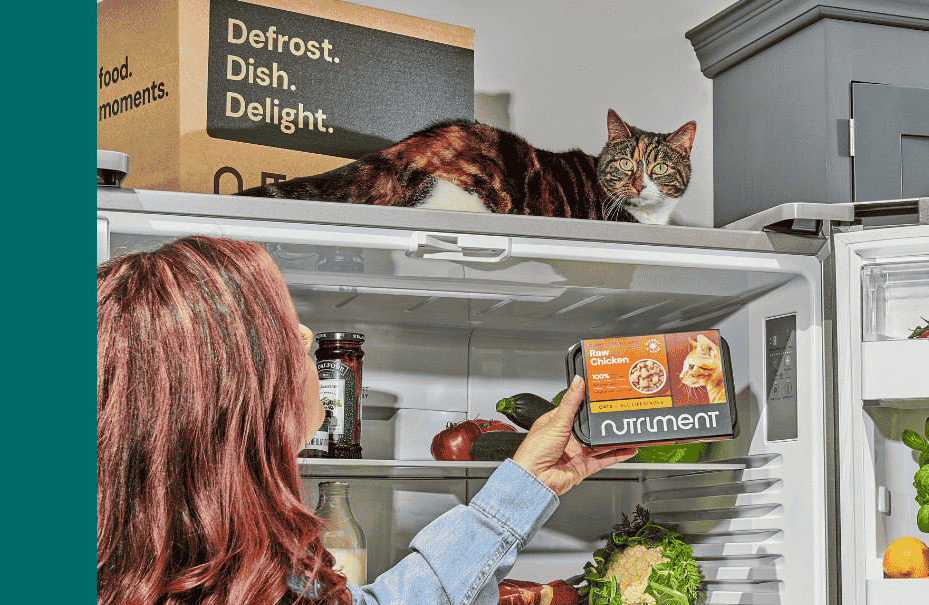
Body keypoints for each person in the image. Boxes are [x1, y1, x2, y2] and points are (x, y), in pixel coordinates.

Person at [97, 236, 637, 605]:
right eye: (284, 324)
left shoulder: (197, 569)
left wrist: (529, 482)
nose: (306, 336)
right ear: (232, 398)